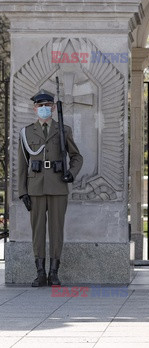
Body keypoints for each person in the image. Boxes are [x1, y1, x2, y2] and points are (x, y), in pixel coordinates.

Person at [18, 89, 83, 287]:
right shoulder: (27, 132)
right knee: (38, 231)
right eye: (40, 106)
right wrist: (22, 192)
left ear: (54, 108)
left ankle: (54, 272)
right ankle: (40, 273)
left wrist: (70, 173)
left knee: (56, 230)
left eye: (47, 106)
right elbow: (22, 164)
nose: (44, 109)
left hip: (58, 185)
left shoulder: (64, 130)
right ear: (34, 109)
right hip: (35, 186)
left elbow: (77, 157)